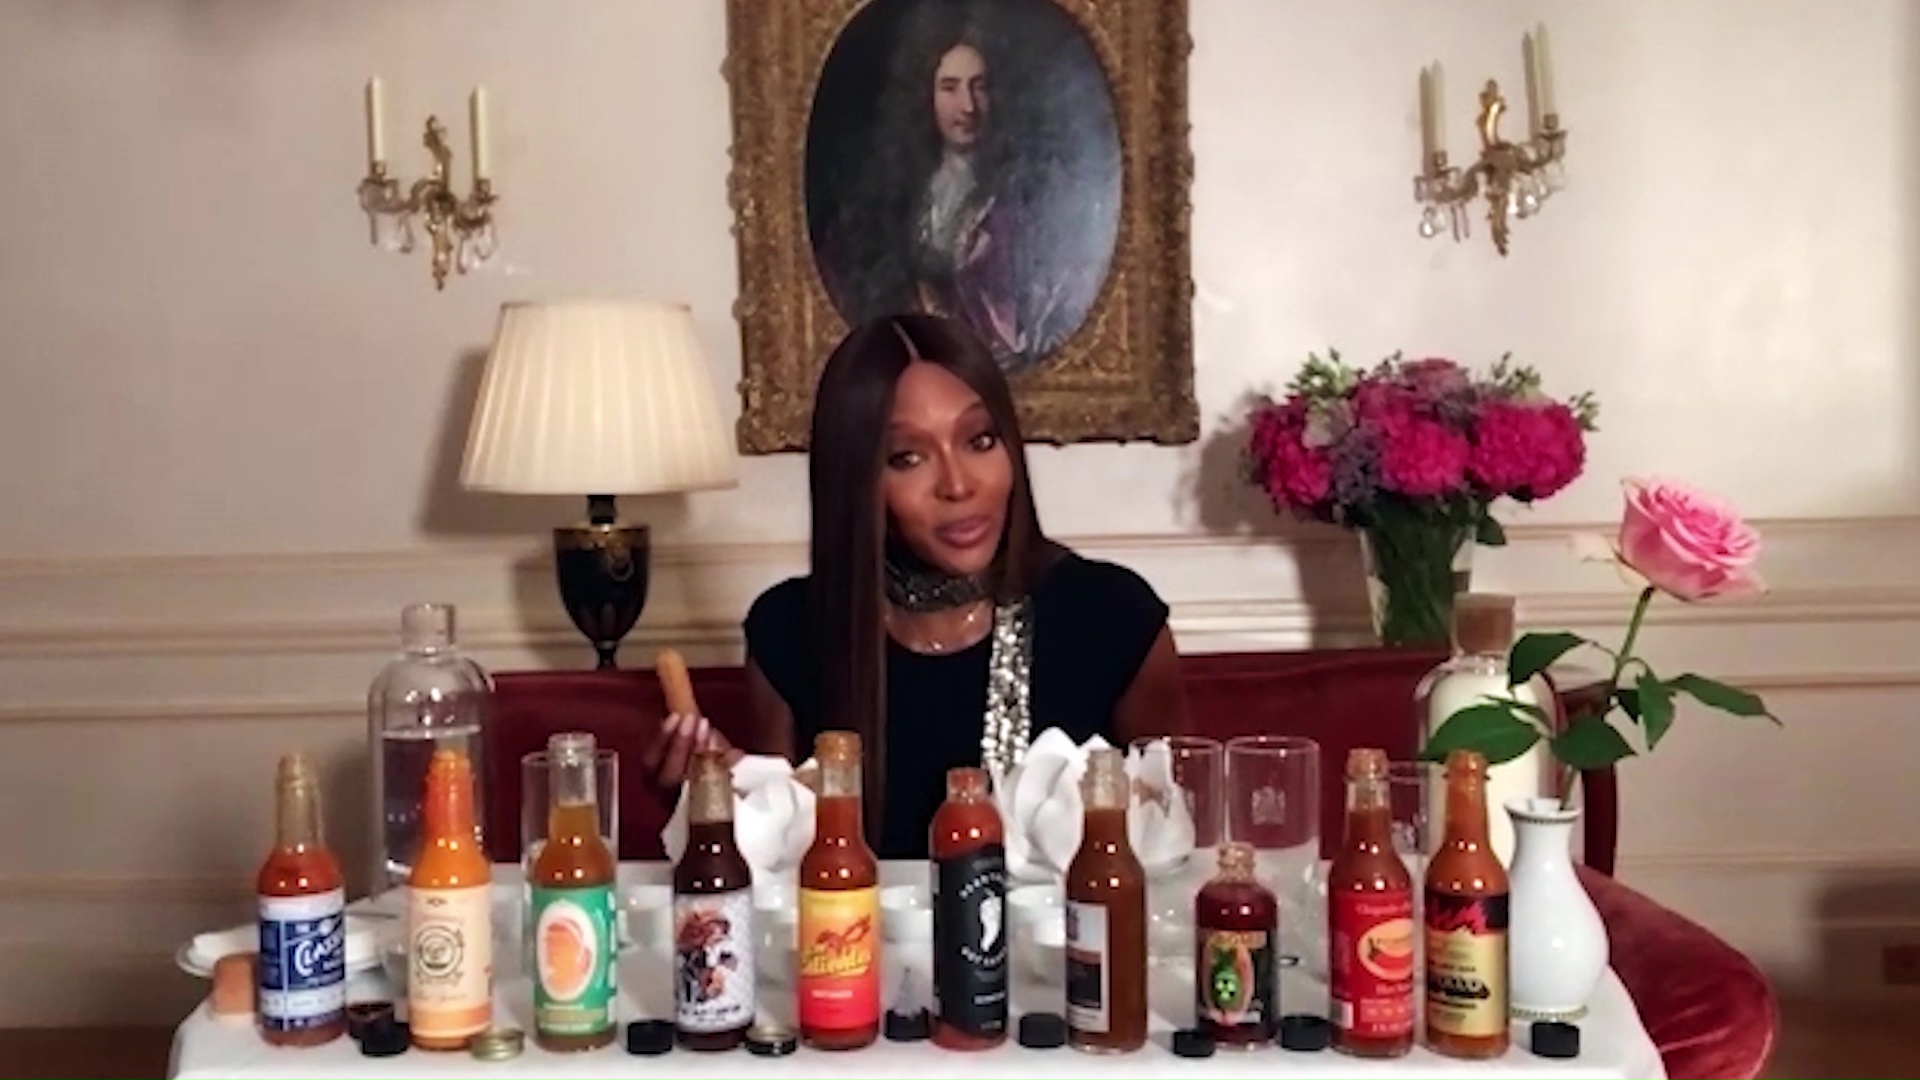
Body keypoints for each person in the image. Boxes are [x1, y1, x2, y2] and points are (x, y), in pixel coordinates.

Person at [641, 313, 1188, 857]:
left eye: (979, 440)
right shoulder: (790, 630)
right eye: (908, 457)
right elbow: (782, 869)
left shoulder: (1112, 619)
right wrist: (710, 803)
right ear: (857, 479)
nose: (958, 484)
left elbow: (1176, 848)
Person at [816, 5, 1082, 374]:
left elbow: (1049, 305)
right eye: (950, 87)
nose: (967, 106)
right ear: (924, 95)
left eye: (980, 86)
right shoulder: (898, 189)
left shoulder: (1020, 197)